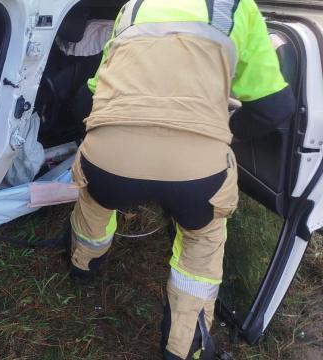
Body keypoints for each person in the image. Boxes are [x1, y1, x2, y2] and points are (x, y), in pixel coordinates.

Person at [67, 1, 295, 359]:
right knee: (201, 245)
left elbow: (89, 95)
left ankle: (84, 265)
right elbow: (275, 107)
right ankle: (182, 345)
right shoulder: (236, 8)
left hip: (109, 163)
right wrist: (226, 129)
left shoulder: (133, 7)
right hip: (195, 176)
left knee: (94, 203)